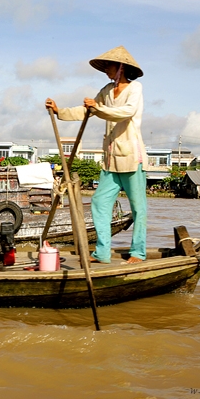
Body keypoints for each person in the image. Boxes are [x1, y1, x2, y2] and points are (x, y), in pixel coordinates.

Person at [45, 45, 147, 264]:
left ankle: (138, 252)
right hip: (110, 161)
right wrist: (59, 111)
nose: (106, 70)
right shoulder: (107, 91)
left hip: (130, 157)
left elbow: (125, 112)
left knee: (138, 207)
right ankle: (102, 252)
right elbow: (87, 110)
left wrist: (97, 109)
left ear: (121, 67)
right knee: (99, 202)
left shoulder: (135, 89)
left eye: (109, 66)